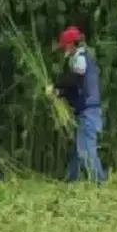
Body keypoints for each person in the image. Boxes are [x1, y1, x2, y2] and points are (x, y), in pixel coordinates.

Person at [46, 26, 106, 185]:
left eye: (64, 46)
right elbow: (75, 88)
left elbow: (73, 80)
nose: (64, 50)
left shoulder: (81, 59)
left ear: (71, 44)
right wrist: (59, 93)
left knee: (87, 151)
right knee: (78, 150)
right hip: (86, 110)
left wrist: (55, 86)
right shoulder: (82, 59)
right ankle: (70, 180)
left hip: (89, 111)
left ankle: (100, 182)